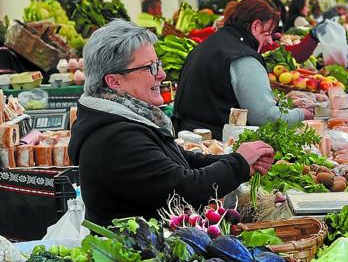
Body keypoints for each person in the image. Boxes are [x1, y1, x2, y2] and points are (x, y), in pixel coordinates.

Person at [68, 20, 275, 225]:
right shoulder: (116, 138)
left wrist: (243, 163)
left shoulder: (128, 120)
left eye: (158, 65)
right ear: (114, 81)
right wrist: (238, 164)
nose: (161, 74)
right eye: (150, 67)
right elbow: (184, 189)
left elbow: (181, 161)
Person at [173, 0, 313, 140]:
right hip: (217, 145)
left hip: (188, 138)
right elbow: (265, 117)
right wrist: (302, 114)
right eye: (268, 32)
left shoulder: (209, 44)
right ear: (256, 26)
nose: (270, 40)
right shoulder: (243, 58)